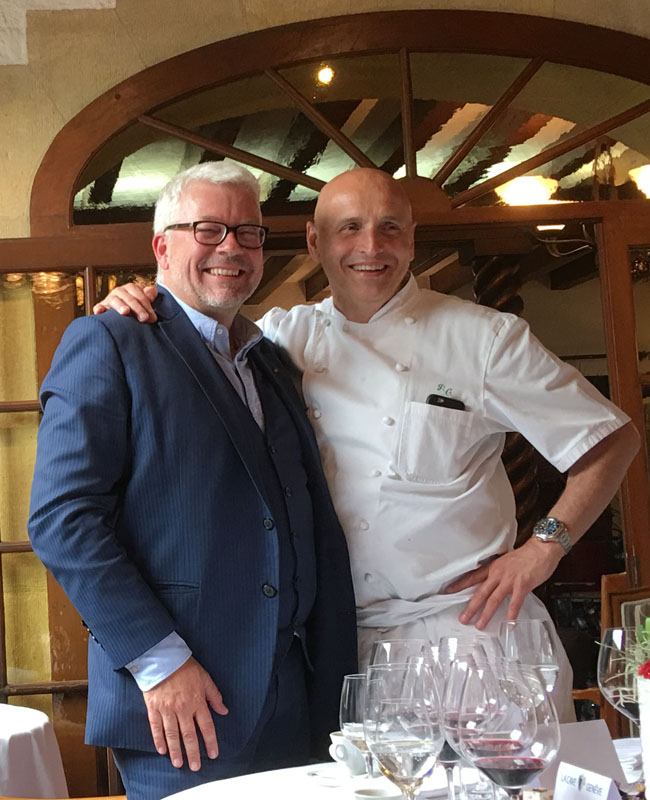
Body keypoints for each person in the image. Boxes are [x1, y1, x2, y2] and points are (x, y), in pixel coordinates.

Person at [96, 167, 640, 722]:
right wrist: (146, 298)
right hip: (342, 648)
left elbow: (611, 439)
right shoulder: (282, 337)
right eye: (350, 228)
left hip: (472, 636)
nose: (371, 247)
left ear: (412, 239)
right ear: (315, 242)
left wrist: (544, 549)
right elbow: (199, 329)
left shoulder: (484, 339)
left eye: (390, 228)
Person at [28, 161, 357, 800]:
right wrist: (160, 663)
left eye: (248, 232)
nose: (231, 247)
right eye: (208, 229)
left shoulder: (269, 362)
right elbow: (62, 520)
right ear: (162, 246)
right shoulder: (109, 341)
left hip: (296, 699)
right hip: (185, 704)